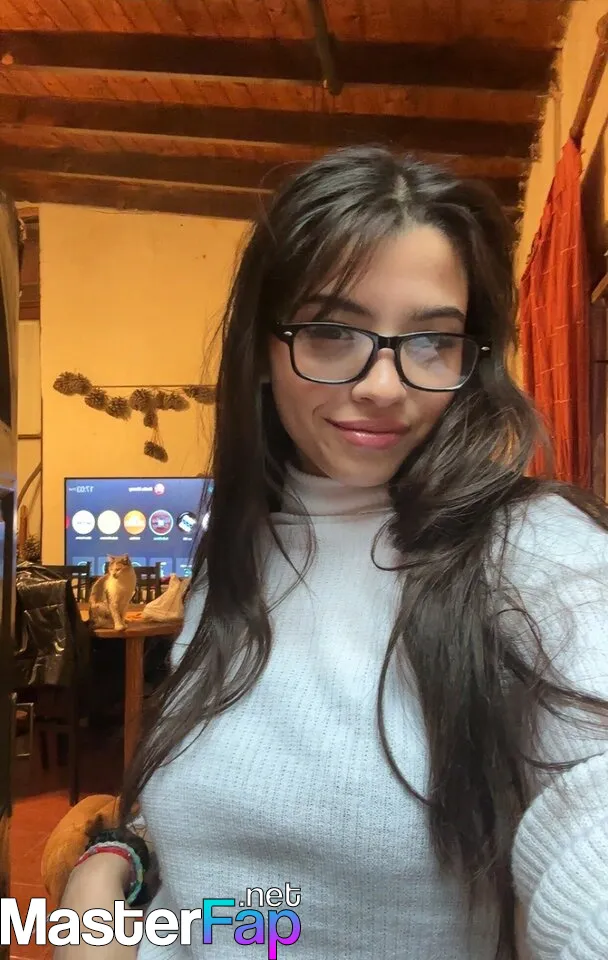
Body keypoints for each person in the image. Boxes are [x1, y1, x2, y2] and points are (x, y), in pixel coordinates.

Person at [58, 147, 608, 960]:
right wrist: (112, 868)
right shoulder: (237, 551)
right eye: (330, 331)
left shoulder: (529, 552)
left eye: (432, 340)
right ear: (263, 350)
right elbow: (231, 838)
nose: (384, 386)